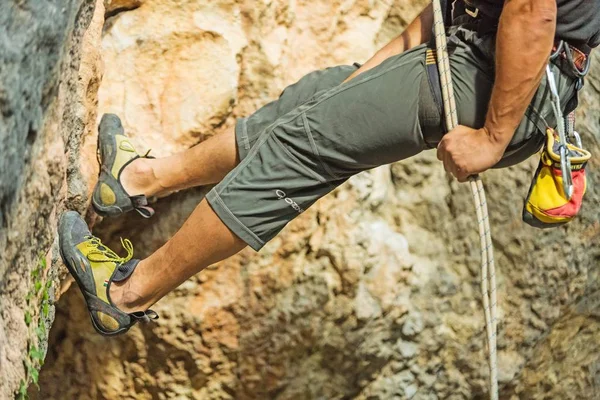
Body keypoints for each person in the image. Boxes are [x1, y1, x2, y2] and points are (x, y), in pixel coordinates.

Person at [59, 0, 599, 335]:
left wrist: (493, 138)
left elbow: (532, 11)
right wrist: (358, 80)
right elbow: (453, 5)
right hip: (472, 50)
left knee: (301, 146)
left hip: (498, 75)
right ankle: (135, 180)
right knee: (316, 100)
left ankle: (126, 293)